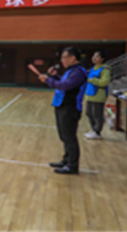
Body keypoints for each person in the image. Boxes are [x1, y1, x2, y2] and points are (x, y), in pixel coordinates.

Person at [38, 46, 87, 175]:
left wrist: (47, 80)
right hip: (62, 106)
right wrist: (55, 76)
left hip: (70, 107)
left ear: (73, 58)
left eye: (64, 57)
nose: (62, 60)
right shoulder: (70, 71)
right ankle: (67, 160)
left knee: (69, 137)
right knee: (64, 136)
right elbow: (62, 82)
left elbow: (65, 86)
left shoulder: (78, 72)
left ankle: (72, 165)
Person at [83, 51, 109, 141]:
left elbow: (105, 82)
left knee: (97, 114)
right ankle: (93, 129)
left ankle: (97, 132)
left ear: (102, 59)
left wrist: (92, 80)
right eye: (93, 56)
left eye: (97, 57)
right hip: (90, 94)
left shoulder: (105, 70)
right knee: (89, 113)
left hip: (99, 95)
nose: (94, 58)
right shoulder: (92, 68)